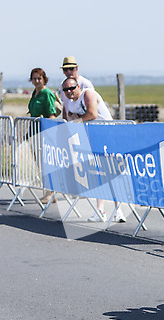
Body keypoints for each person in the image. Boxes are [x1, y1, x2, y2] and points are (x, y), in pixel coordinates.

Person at [62, 77, 125, 223]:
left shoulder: (87, 94)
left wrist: (78, 119)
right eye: (65, 90)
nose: (69, 92)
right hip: (94, 138)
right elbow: (69, 117)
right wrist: (76, 119)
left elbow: (92, 114)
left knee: (111, 173)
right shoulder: (70, 103)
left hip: (107, 135)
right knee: (99, 175)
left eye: (72, 88)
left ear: (78, 86)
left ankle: (118, 210)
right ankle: (100, 211)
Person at [27, 67, 61, 204]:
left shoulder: (47, 93)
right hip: (34, 131)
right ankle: (47, 191)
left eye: (39, 78)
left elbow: (51, 114)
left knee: (47, 163)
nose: (36, 81)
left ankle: (51, 192)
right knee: (40, 163)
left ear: (44, 79)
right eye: (34, 78)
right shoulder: (35, 93)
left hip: (44, 132)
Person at [59, 56, 94, 120]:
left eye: (71, 69)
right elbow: (65, 105)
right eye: (65, 69)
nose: (69, 72)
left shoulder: (86, 83)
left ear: (76, 69)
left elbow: (92, 109)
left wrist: (77, 120)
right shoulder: (63, 85)